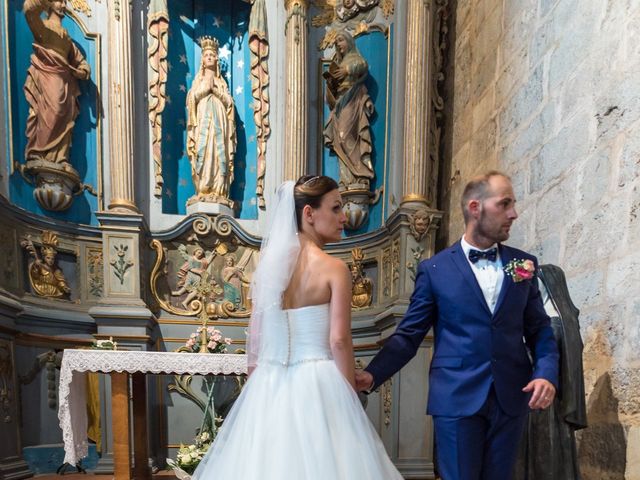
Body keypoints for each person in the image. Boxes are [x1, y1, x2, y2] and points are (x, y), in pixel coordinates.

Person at [192, 175, 402, 479]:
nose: (344, 217)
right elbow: (339, 341)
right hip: (320, 380)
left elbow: (258, 338)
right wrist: (348, 397)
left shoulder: (269, 269)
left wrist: (258, 388)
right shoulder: (334, 269)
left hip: (270, 381)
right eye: (335, 208)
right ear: (309, 214)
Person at [356, 171, 560, 480]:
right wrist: (372, 375)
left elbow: (539, 330)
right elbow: (409, 335)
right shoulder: (434, 269)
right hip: (456, 397)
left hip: (511, 396)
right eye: (504, 204)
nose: (514, 214)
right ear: (475, 207)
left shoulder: (523, 264)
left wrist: (546, 374)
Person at [512, 263, 587, 480]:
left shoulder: (558, 320)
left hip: (545, 396)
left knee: (544, 453)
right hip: (534, 391)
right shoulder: (561, 319)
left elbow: (553, 355)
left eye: (538, 284)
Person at [23, 0, 91, 164]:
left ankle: (60, 157)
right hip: (48, 77)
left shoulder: (67, 38)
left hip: (66, 83)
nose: (63, 6)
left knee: (65, 116)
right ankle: (39, 151)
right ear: (50, 5)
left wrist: (81, 71)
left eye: (64, 2)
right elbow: (29, 12)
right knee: (52, 111)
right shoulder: (43, 27)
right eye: (60, 1)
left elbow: (81, 62)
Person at [186, 36, 236, 207]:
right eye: (206, 55)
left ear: (216, 59)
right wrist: (204, 90)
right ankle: (203, 188)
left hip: (220, 120)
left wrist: (216, 91)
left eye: (212, 55)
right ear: (202, 59)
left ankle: (219, 189)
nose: (209, 57)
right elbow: (191, 99)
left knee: (218, 150)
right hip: (202, 120)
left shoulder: (221, 82)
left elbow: (230, 103)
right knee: (205, 151)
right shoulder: (198, 80)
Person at [323, 30, 374, 190]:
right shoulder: (339, 62)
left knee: (345, 136)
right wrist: (331, 85)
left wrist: (347, 70)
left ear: (349, 42)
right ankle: (346, 178)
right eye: (337, 41)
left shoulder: (354, 59)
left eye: (340, 40)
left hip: (351, 99)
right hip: (340, 102)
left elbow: (363, 65)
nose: (338, 44)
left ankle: (360, 173)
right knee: (339, 139)